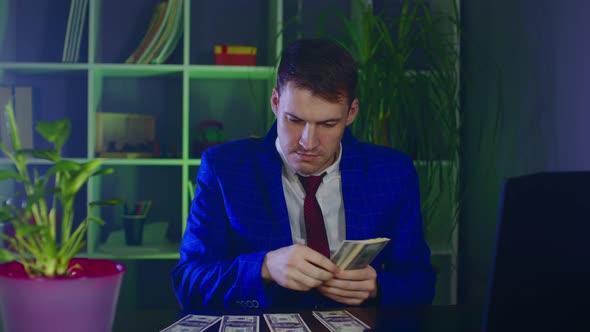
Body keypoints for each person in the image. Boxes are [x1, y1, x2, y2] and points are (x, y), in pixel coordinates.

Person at [172, 39, 435, 310]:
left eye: (328, 124)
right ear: (275, 102)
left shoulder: (393, 173)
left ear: (351, 113)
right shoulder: (223, 169)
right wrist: (264, 267)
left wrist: (378, 286)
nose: (308, 142)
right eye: (295, 120)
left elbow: (421, 283)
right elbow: (189, 284)